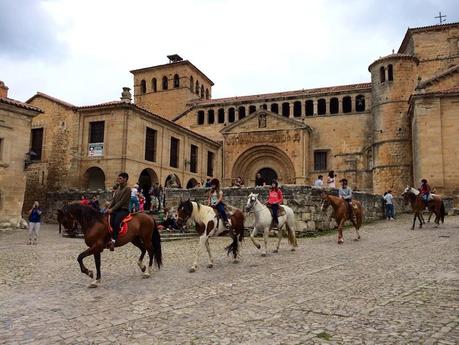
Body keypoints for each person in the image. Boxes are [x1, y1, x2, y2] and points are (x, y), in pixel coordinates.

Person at [106, 172, 131, 251]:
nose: (118, 180)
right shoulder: (118, 188)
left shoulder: (127, 189)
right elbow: (114, 200)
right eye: (118, 178)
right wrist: (108, 208)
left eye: (120, 178)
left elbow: (121, 202)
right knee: (107, 219)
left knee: (116, 221)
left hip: (123, 210)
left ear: (125, 179)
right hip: (116, 209)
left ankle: (113, 241)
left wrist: (112, 209)